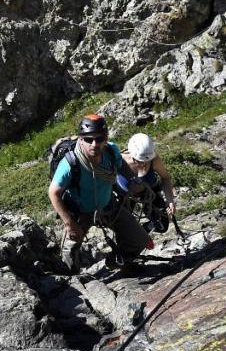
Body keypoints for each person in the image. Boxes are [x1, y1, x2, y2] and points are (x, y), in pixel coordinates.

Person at [49, 114, 150, 272]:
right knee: (69, 255)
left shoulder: (111, 151)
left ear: (106, 137)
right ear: (81, 139)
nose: (94, 144)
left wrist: (132, 179)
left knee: (139, 240)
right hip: (79, 212)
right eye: (88, 139)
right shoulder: (70, 163)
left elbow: (121, 164)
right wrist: (70, 224)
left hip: (108, 205)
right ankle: (71, 279)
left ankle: (116, 261)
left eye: (99, 139)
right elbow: (53, 193)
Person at [116, 133, 177, 233]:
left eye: (146, 160)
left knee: (162, 224)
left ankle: (143, 231)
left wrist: (170, 200)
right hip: (125, 196)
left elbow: (165, 177)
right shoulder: (120, 161)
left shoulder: (154, 159)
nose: (144, 164)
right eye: (140, 161)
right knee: (123, 228)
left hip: (149, 192)